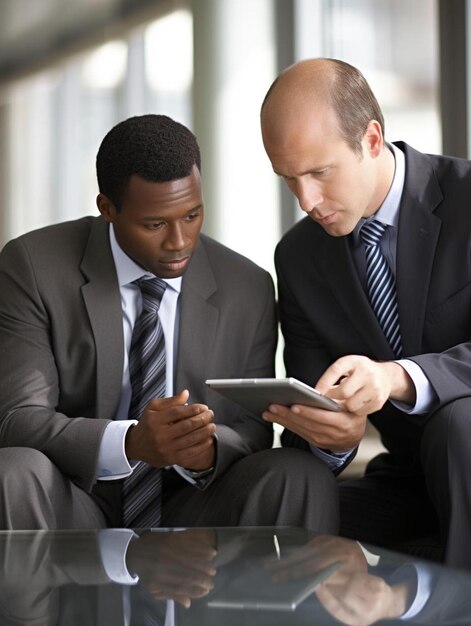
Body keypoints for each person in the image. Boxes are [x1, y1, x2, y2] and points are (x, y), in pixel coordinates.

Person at [0, 114, 338, 532]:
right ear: (107, 208)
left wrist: (206, 451)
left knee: (297, 473)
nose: (180, 242)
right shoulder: (34, 266)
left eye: (192, 215)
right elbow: (17, 418)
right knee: (14, 469)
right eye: (155, 224)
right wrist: (129, 443)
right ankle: (38, 600)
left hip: (194, 504)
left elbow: (252, 428)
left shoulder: (247, 286)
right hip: (75, 498)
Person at [260, 58, 471, 569]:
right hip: (407, 477)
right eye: (289, 179)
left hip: (467, 445)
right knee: (281, 532)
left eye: (318, 172)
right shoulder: (299, 256)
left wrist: (398, 377)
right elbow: (311, 408)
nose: (306, 200)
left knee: (458, 421)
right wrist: (335, 437)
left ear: (372, 139)